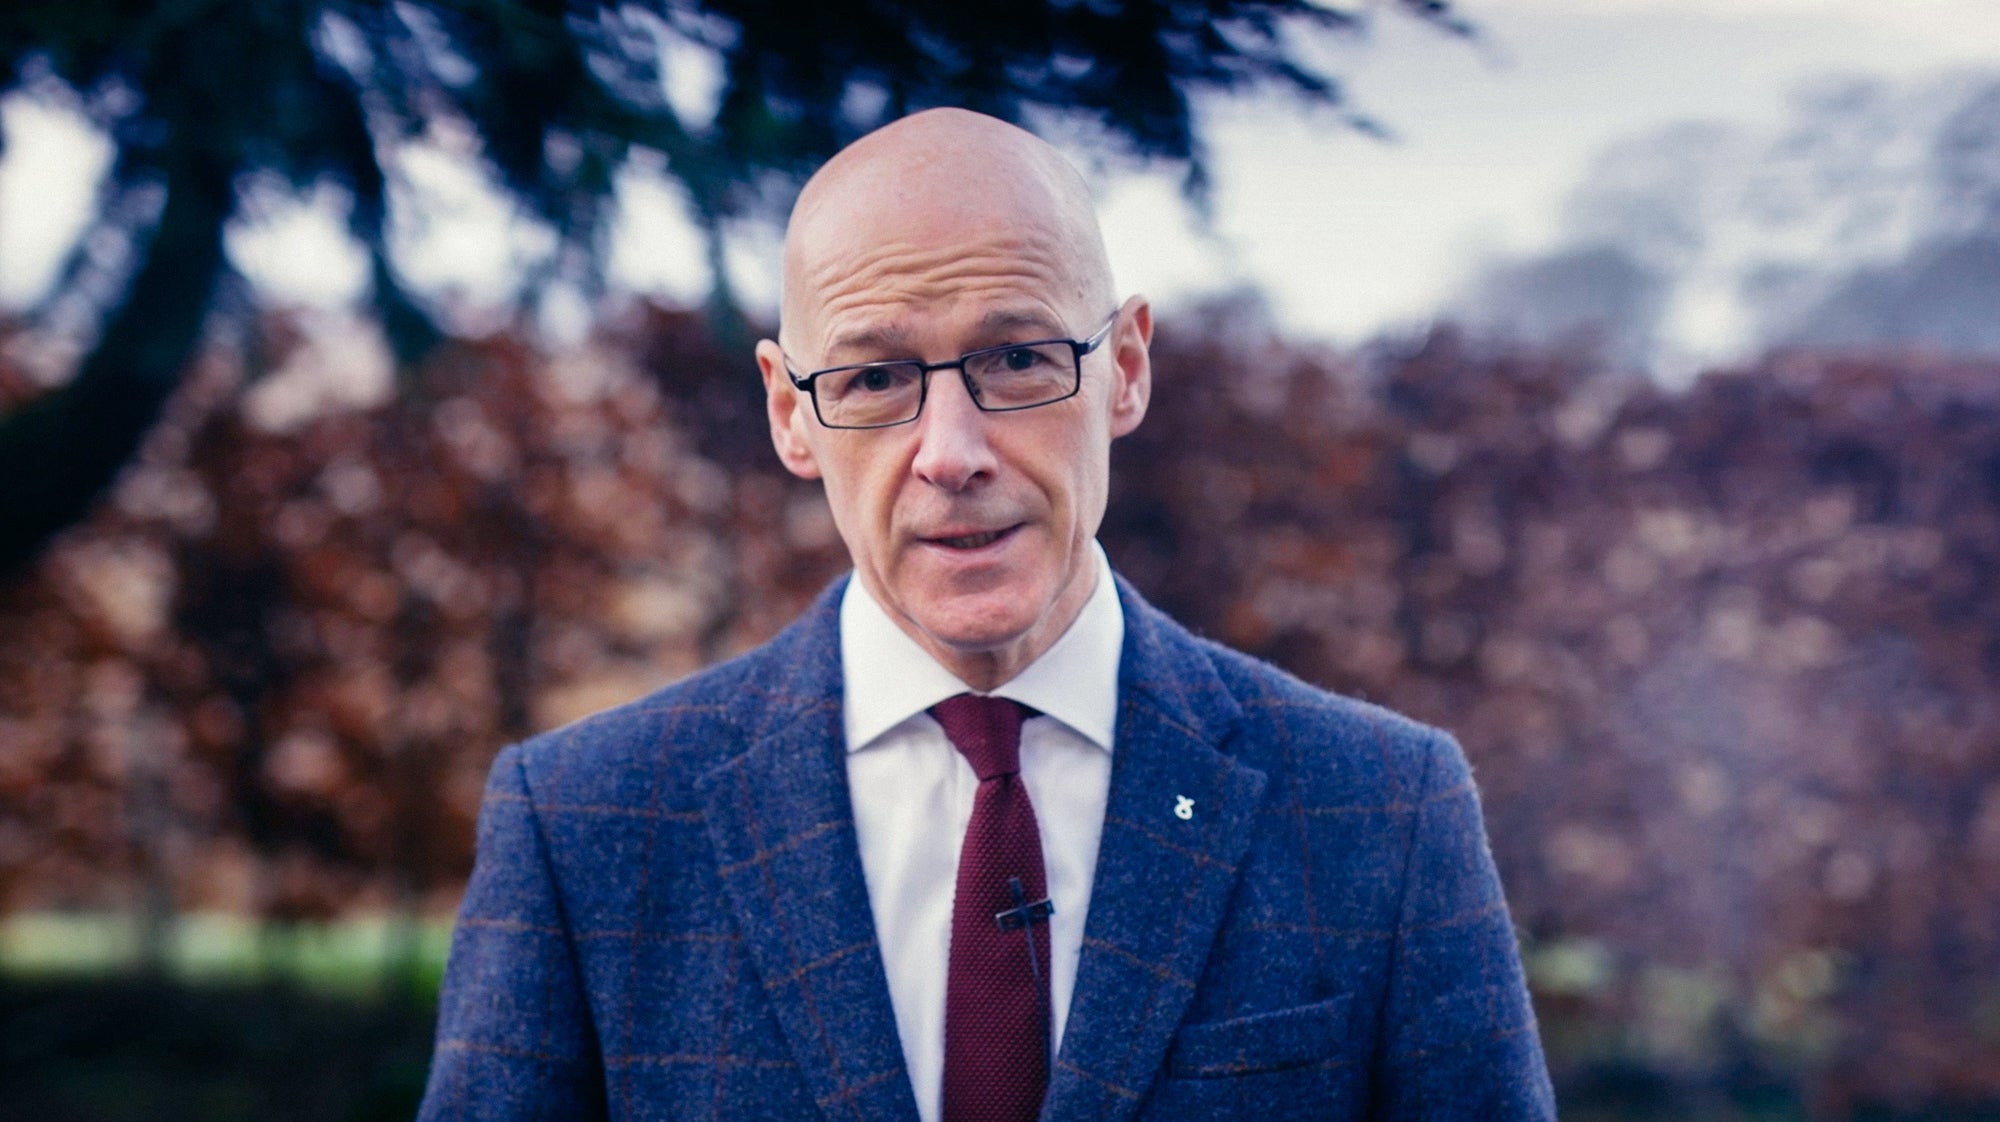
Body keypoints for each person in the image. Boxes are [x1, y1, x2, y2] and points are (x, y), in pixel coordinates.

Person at [417, 107, 1554, 1122]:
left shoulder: (1382, 810)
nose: (950, 454)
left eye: (1015, 359)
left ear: (1124, 366)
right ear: (789, 413)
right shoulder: (582, 829)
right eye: (872, 380)